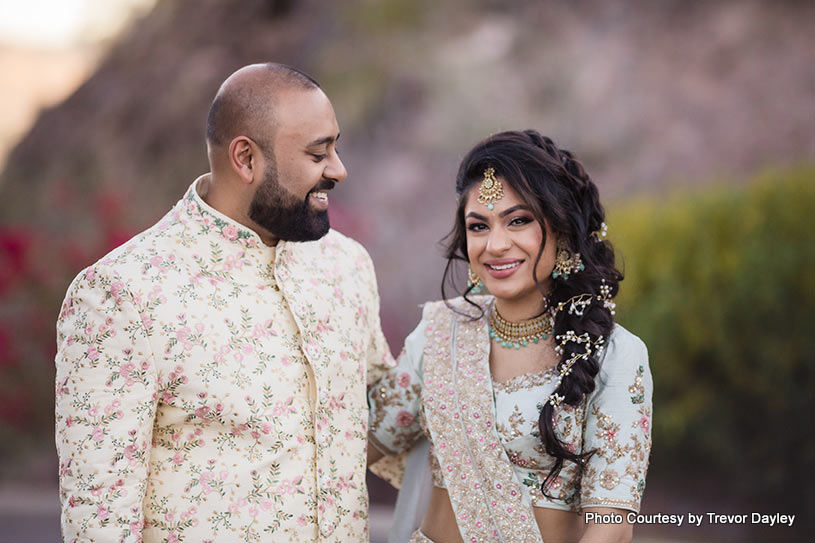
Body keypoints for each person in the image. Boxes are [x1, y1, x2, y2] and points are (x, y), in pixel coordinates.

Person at [55, 63, 393, 542]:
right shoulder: (122, 295)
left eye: (335, 147)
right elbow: (99, 521)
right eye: (319, 154)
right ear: (245, 158)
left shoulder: (345, 266)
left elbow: (387, 407)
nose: (339, 169)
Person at [367, 130, 653, 542]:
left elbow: (612, 526)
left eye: (518, 221)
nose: (496, 244)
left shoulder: (613, 354)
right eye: (479, 226)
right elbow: (358, 446)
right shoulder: (439, 335)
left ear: (562, 230)